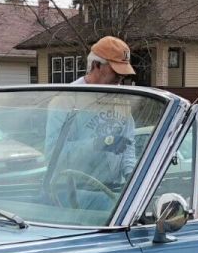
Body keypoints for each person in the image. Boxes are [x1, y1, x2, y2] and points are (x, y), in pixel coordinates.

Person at [43, 37, 139, 208]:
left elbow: (128, 146)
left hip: (113, 192)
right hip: (74, 194)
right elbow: (53, 156)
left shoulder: (121, 100)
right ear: (96, 65)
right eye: (115, 73)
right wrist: (96, 144)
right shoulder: (65, 101)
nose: (120, 79)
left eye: (123, 74)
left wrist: (132, 176)